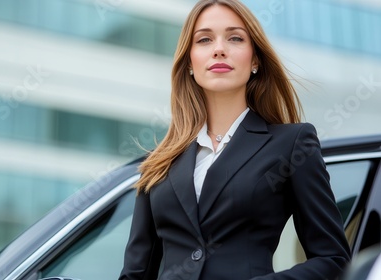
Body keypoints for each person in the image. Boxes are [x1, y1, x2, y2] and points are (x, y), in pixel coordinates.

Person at [119, 0, 351, 279]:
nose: (219, 49)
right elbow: (135, 273)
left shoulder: (292, 144)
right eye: (204, 39)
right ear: (190, 62)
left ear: (255, 60)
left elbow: (333, 259)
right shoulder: (160, 161)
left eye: (235, 38)